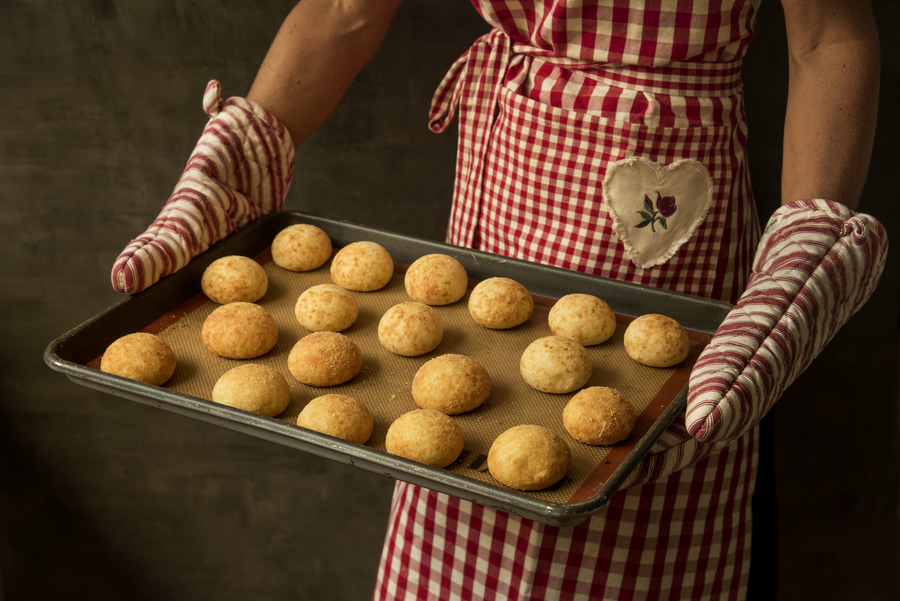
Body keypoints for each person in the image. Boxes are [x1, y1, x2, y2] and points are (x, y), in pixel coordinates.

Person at [111, 1, 887, 599]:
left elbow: (828, 38)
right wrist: (247, 149)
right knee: (456, 443)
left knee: (631, 494)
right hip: (501, 197)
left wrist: (806, 247)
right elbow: (345, 11)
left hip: (666, 222)